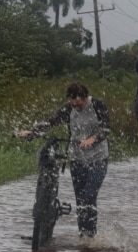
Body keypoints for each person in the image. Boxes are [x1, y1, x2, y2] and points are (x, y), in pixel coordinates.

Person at [18, 82, 110, 239]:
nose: (76, 108)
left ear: (85, 98)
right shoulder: (68, 108)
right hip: (77, 160)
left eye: (79, 105)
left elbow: (106, 128)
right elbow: (51, 122)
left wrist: (92, 139)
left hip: (98, 159)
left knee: (89, 196)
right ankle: (84, 235)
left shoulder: (97, 104)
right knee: (80, 200)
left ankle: (91, 234)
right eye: (73, 105)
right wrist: (32, 131)